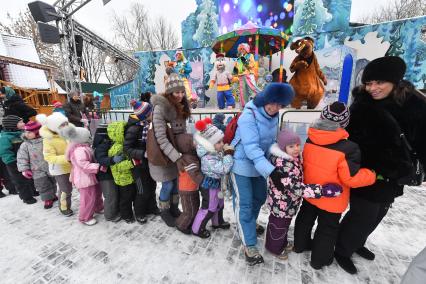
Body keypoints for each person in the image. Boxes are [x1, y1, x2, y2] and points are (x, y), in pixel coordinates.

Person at [334, 56, 426, 274]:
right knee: (363, 215)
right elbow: (350, 140)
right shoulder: (362, 105)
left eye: (378, 83)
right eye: (368, 83)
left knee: (379, 213)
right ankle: (342, 249)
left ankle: (357, 242)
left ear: (394, 81)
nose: (372, 88)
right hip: (368, 173)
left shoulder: (414, 103)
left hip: (396, 175)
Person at [293, 102, 376, 270]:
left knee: (305, 218)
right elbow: (350, 179)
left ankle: (300, 245)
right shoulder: (349, 148)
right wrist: (371, 175)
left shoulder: (310, 138)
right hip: (333, 198)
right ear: (344, 123)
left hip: (311, 191)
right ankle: (319, 260)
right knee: (327, 228)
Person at [229, 82, 295, 265]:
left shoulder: (275, 116)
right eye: (272, 103)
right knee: (245, 204)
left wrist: (284, 157)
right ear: (265, 99)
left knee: (259, 198)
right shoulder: (248, 115)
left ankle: (248, 223)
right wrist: (271, 171)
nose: (275, 108)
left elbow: (271, 142)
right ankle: (249, 245)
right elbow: (251, 148)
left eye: (280, 105)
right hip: (241, 165)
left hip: (260, 165)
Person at [265, 129, 343, 260]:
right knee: (278, 226)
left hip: (288, 203)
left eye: (297, 145)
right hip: (281, 204)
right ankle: (274, 248)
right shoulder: (283, 165)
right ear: (283, 148)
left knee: (282, 225)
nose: (296, 149)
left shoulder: (292, 159)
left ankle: (280, 243)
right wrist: (321, 191)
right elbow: (296, 187)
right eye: (291, 146)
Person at [149, 73, 192, 227]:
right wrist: (177, 157)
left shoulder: (182, 106)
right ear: (169, 92)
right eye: (176, 92)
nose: (180, 95)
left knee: (176, 183)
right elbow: (161, 138)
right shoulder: (160, 108)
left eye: (182, 92)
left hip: (176, 155)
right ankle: (164, 210)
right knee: (168, 184)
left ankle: (174, 207)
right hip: (163, 154)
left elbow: (182, 133)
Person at [192, 118, 233, 238]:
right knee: (209, 208)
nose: (222, 144)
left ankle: (217, 222)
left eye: (222, 141)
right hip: (210, 186)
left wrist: (224, 154)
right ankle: (197, 229)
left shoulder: (215, 152)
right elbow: (223, 169)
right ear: (209, 144)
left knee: (219, 204)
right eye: (219, 142)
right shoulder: (208, 158)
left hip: (217, 184)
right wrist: (229, 155)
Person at [124, 99, 159, 224]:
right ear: (144, 116)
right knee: (142, 189)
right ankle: (140, 212)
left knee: (152, 185)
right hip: (138, 165)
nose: (153, 114)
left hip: (150, 163)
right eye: (150, 113)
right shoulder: (134, 128)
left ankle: (152, 207)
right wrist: (143, 154)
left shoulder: (150, 125)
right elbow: (127, 148)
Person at [63, 124, 104, 225]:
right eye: (88, 136)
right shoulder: (79, 150)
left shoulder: (84, 146)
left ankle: (98, 207)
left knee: (97, 193)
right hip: (84, 178)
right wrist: (98, 166)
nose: (90, 138)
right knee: (88, 198)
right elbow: (84, 165)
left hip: (91, 176)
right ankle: (85, 217)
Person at [37, 112, 74, 216]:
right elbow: (49, 157)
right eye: (62, 125)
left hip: (73, 164)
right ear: (54, 127)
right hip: (60, 168)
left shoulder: (68, 132)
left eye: (66, 123)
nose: (66, 126)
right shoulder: (48, 140)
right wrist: (69, 158)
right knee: (65, 189)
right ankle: (64, 207)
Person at [17, 121, 57, 209]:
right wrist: (25, 169)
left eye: (29, 132)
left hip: (50, 166)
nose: (27, 134)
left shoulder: (46, 141)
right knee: (42, 185)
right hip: (36, 169)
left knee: (52, 182)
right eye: (26, 132)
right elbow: (21, 158)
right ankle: (47, 199)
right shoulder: (25, 145)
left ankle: (53, 195)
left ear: (37, 132)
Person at [0, 115, 36, 204]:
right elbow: (4, 151)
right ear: (12, 125)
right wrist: (11, 162)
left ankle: (33, 191)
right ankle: (26, 197)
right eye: (20, 122)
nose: (23, 123)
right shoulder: (5, 137)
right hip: (13, 162)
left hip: (26, 160)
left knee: (30, 176)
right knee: (20, 180)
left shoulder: (23, 133)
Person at [107, 121, 137, 224]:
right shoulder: (117, 148)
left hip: (128, 177)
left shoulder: (122, 145)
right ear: (119, 133)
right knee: (126, 199)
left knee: (129, 196)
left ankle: (127, 213)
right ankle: (126, 216)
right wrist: (131, 163)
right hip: (123, 179)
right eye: (125, 132)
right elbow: (117, 166)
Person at [174, 133, 203, 234]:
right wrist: (203, 181)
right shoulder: (188, 159)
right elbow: (194, 173)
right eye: (194, 142)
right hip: (187, 189)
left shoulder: (191, 155)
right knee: (189, 211)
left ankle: (188, 222)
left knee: (194, 207)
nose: (196, 144)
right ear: (187, 145)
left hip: (191, 188)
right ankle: (181, 225)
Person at [93, 124, 121, 223]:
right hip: (104, 176)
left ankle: (115, 211)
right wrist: (113, 159)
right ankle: (110, 215)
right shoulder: (102, 145)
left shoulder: (109, 143)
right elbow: (101, 160)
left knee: (114, 194)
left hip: (111, 174)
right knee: (110, 195)